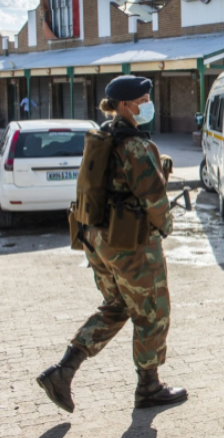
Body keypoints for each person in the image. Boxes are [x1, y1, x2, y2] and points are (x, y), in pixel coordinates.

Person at [36, 75, 187, 412]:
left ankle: (63, 371)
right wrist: (166, 227)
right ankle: (149, 387)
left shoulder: (101, 136)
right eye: (143, 99)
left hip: (95, 236)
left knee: (117, 306)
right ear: (124, 105)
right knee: (152, 311)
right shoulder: (134, 145)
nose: (148, 104)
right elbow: (154, 198)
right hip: (129, 242)